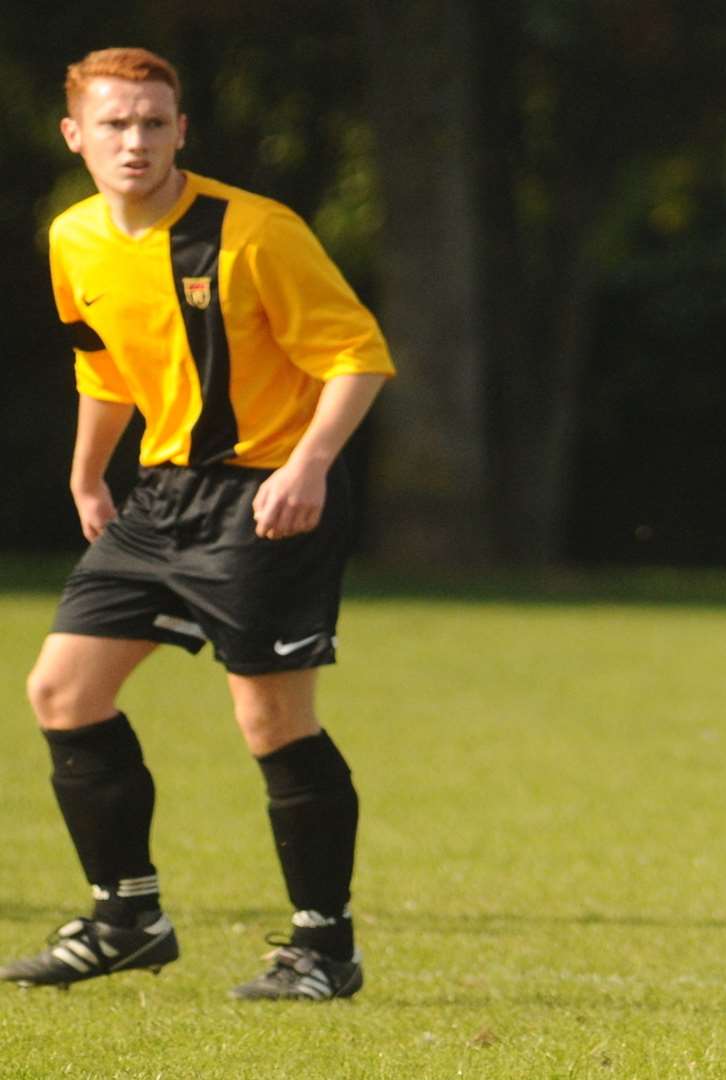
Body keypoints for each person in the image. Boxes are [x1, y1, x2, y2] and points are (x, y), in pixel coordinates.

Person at [1, 47, 394, 1001]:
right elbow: (102, 364)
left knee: (268, 719)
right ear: (76, 136)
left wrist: (309, 464)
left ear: (182, 130)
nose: (134, 141)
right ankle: (126, 918)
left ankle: (323, 949)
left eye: (152, 123)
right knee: (61, 691)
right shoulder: (74, 238)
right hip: (161, 497)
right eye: (114, 124)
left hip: (266, 495)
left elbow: (359, 356)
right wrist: (89, 470)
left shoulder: (254, 232)